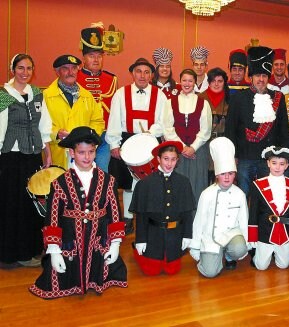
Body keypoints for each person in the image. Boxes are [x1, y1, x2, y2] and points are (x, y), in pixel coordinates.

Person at [30, 126, 127, 298]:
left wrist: (115, 243)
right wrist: (54, 250)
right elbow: (52, 218)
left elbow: (114, 213)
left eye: (91, 152)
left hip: (98, 240)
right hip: (70, 241)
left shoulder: (108, 181)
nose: (87, 157)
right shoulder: (59, 183)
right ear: (72, 153)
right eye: (82, 152)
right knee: (60, 274)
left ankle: (96, 278)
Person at [0, 54, 52, 268]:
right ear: (13, 69)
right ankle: (11, 253)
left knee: (32, 204)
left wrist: (47, 151)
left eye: (29, 68)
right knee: (12, 204)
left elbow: (44, 125)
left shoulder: (37, 94)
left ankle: (30, 249)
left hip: (32, 157)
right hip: (11, 157)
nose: (25, 72)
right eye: (20, 68)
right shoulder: (3, 95)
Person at [106, 57, 168, 234]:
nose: (142, 75)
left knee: (150, 182)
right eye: (139, 71)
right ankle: (127, 218)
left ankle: (150, 217)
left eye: (146, 72)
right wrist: (114, 144)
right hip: (127, 142)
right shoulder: (120, 94)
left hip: (150, 142)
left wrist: (151, 133)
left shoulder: (160, 95)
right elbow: (114, 120)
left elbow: (163, 121)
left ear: (151, 75)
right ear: (133, 73)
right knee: (128, 183)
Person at [224, 46, 289, 195]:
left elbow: (283, 129)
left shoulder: (278, 98)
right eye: (258, 76)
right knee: (242, 195)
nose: (261, 79)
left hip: (269, 158)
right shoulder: (238, 98)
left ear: (268, 77)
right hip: (244, 157)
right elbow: (231, 130)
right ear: (251, 77)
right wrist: (232, 157)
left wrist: (282, 155)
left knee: (266, 197)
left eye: (264, 76)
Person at [130, 141, 196, 276]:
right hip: (153, 236)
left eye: (173, 159)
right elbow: (141, 215)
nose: (169, 163)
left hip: (174, 235)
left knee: (172, 270)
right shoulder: (145, 184)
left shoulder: (183, 182)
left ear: (177, 160)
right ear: (158, 159)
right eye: (166, 159)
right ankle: (136, 251)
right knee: (151, 272)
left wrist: (187, 235)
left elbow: (187, 212)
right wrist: (140, 239)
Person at [190, 137, 249, 277]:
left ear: (235, 174)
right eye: (223, 174)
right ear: (217, 175)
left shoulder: (239, 194)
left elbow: (244, 220)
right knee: (210, 273)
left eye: (231, 173)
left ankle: (229, 255)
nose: (227, 177)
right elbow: (199, 222)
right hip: (211, 236)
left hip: (231, 234)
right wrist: (195, 246)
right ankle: (212, 257)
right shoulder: (207, 194)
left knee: (240, 249)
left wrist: (247, 241)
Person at [44, 54, 104, 169]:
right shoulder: (46, 96)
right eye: (65, 68)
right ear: (57, 72)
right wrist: (56, 133)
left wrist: (88, 137)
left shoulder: (87, 96)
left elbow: (98, 121)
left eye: (73, 68)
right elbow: (40, 125)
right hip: (57, 155)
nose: (70, 72)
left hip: (83, 156)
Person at [163, 68, 212, 205]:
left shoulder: (203, 103)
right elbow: (168, 128)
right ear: (180, 81)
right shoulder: (170, 102)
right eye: (184, 80)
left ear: (195, 83)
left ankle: (196, 221)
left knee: (197, 186)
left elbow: (206, 130)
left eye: (190, 81)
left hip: (198, 151)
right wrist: (182, 147)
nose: (187, 83)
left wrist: (193, 148)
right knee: (177, 186)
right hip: (177, 152)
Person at [248, 146, 289, 270]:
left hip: (284, 233)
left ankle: (276, 253)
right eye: (274, 163)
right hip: (264, 233)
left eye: (282, 164)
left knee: (283, 266)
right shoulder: (257, 185)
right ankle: (259, 254)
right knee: (261, 267)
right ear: (268, 163)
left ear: (287, 165)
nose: (277, 167)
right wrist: (253, 236)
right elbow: (253, 212)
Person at [77, 26, 118, 172]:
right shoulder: (75, 79)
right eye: (91, 55)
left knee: (102, 173)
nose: (96, 59)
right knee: (80, 173)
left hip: (104, 137)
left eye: (99, 56)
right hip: (81, 134)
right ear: (83, 58)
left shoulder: (111, 79)